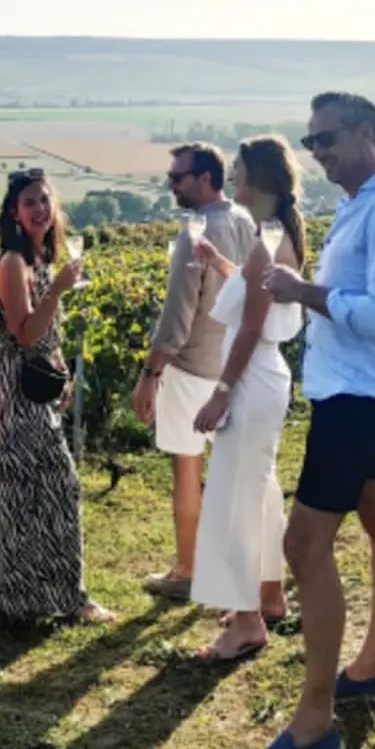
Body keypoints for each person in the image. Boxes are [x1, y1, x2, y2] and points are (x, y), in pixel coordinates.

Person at [245, 92, 375, 749]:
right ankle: (374, 664)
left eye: (326, 138)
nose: (315, 150)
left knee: (302, 545)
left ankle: (314, 724)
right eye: (310, 138)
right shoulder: (363, 203)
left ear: (367, 133)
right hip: (357, 387)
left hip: (355, 398)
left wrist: (304, 292)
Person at [0, 169, 115, 625]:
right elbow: (22, 335)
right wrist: (56, 293)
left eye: (45, 200)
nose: (39, 209)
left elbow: (45, 336)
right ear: (14, 213)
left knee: (53, 488)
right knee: (23, 494)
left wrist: (60, 370)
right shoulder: (14, 264)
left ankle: (55, 596)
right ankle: (20, 603)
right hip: (13, 393)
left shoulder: (42, 260)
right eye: (29, 202)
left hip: (38, 387)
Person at [188, 135, 305, 661]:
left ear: (257, 178)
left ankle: (246, 620)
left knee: (234, 496)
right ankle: (269, 593)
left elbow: (252, 327)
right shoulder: (277, 235)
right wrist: (220, 263)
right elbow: (259, 293)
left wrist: (221, 394)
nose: (232, 179)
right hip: (267, 379)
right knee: (258, 488)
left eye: (237, 171)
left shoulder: (267, 243)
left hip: (251, 379)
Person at [131, 143, 257, 601]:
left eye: (178, 177)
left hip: (191, 368)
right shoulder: (245, 221)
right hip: (234, 365)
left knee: (186, 468)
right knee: (233, 471)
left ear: (205, 178)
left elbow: (177, 318)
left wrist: (149, 373)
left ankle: (187, 569)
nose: (171, 184)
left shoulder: (196, 232)